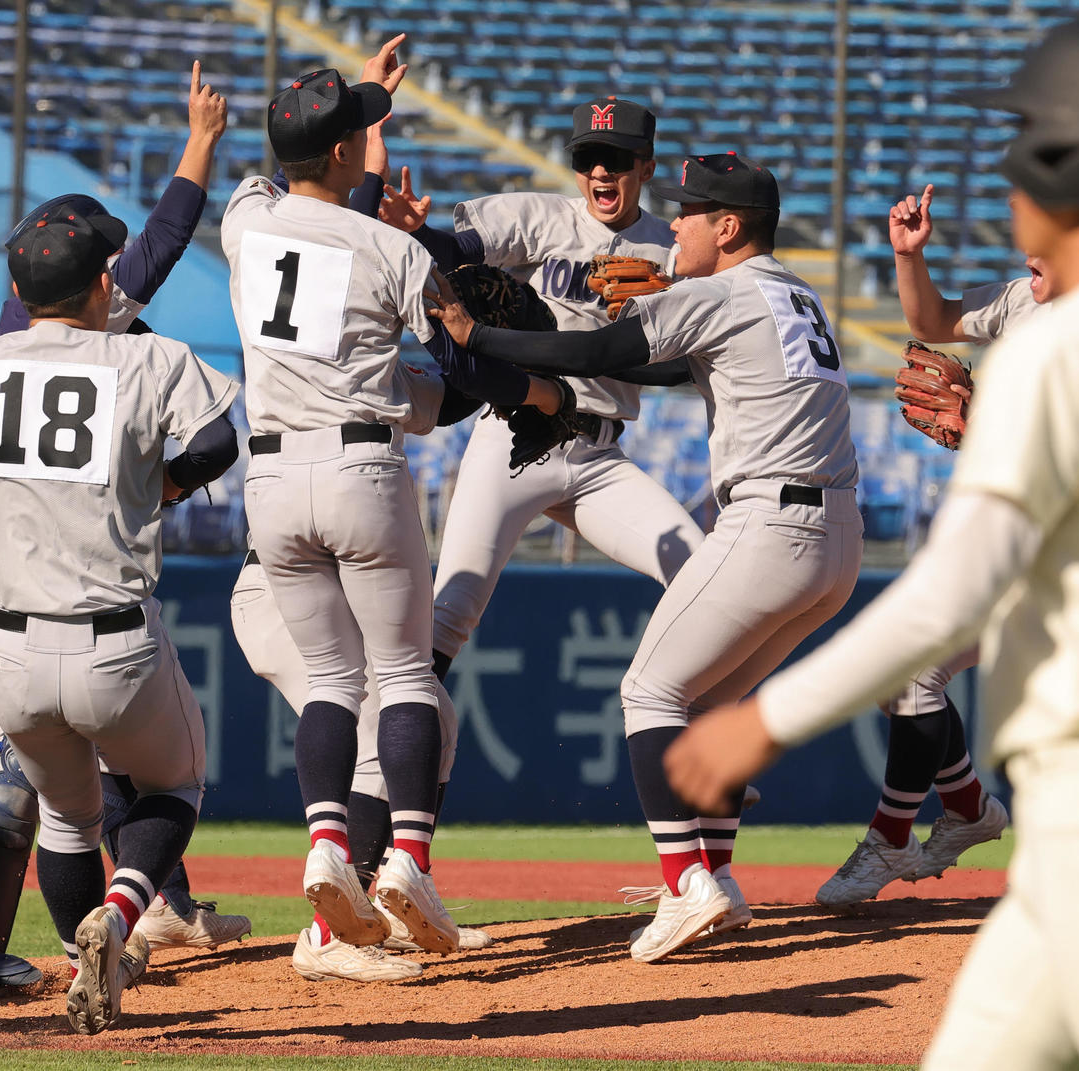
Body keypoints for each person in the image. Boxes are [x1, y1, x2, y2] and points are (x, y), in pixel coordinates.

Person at [664, 17, 1079, 1067]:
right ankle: (936, 821)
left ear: (1060, 162)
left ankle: (915, 828)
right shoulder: (1056, 333)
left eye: (1017, 153)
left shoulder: (1055, 348)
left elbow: (949, 595)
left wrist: (763, 719)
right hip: (1059, 829)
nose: (1003, 183)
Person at [431, 151, 864, 961]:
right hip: (839, 539)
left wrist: (479, 334)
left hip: (771, 521)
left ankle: (685, 882)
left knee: (647, 690)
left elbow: (602, 358)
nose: (675, 225)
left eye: (691, 213)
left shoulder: (719, 291)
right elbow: (667, 360)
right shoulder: (796, 292)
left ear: (727, 227)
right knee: (704, 707)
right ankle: (719, 877)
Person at [0, 62, 249, 1000]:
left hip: (10, 553)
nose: (116, 269)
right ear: (77, 274)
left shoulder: (8, 338)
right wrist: (203, 139)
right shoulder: (90, 323)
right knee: (33, 766)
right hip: (16, 561)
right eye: (101, 258)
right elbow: (167, 239)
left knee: (83, 763)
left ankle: (149, 903)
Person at [220, 42, 565, 967]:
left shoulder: (244, 222)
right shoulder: (387, 248)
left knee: (334, 683)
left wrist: (358, 115)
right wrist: (542, 391)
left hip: (268, 481)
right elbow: (463, 354)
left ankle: (328, 842)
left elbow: (307, 196)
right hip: (359, 468)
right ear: (344, 152)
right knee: (407, 676)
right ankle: (407, 854)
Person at [361, 95, 705, 907]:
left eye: (617, 159)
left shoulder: (669, 249)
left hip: (598, 451)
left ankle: (708, 770)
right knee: (442, 629)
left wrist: (637, 328)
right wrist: (418, 232)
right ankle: (377, 845)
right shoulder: (544, 218)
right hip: (515, 437)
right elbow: (458, 249)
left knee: (700, 571)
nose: (600, 171)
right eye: (590, 156)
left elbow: (683, 366)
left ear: (646, 167)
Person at [814, 185, 1054, 907]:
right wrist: (907, 258)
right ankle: (955, 814)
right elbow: (935, 318)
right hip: (1018, 544)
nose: (1027, 246)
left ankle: (927, 826)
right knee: (909, 675)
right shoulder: (1023, 302)